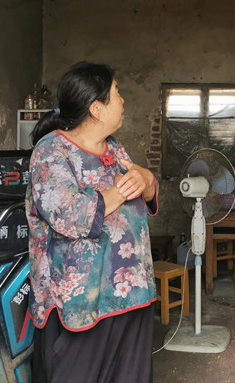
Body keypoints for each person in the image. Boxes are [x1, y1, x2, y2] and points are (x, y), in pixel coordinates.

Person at [25, 61, 159, 383]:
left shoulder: (114, 148)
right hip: (81, 303)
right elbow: (70, 214)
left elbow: (143, 188)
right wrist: (122, 191)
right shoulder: (52, 150)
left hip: (131, 293)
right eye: (117, 92)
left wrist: (147, 180)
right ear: (96, 108)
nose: (123, 100)